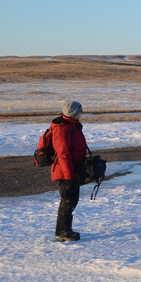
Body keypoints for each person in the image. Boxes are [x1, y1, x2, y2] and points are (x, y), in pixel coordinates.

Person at [51, 101, 88, 242]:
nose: (82, 113)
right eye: (80, 110)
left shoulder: (72, 126)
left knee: (71, 200)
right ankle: (62, 232)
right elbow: (63, 154)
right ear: (73, 113)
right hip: (64, 172)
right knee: (68, 200)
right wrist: (69, 176)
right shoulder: (62, 129)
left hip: (71, 170)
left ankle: (65, 229)